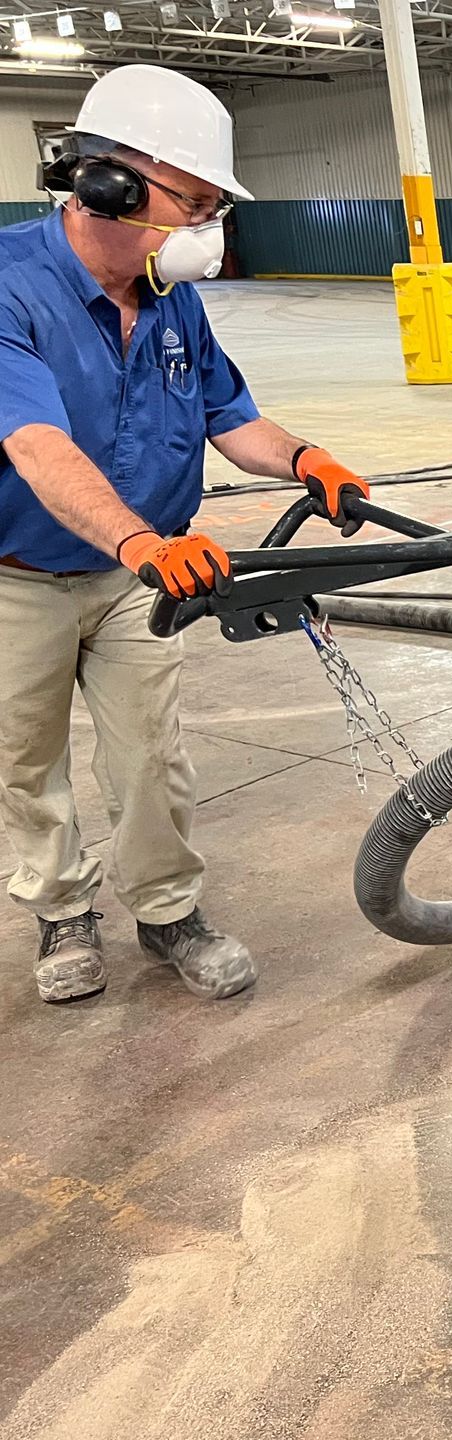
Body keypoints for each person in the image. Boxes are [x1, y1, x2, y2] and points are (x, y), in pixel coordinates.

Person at [0, 64, 372, 1004]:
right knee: (25, 756)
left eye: (211, 208)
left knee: (150, 752)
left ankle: (167, 912)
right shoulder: (10, 290)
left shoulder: (177, 306)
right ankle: (60, 911)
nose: (204, 229)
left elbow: (229, 416)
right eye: (193, 204)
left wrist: (305, 459)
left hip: (135, 582)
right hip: (21, 575)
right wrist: (144, 545)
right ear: (107, 186)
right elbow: (38, 446)